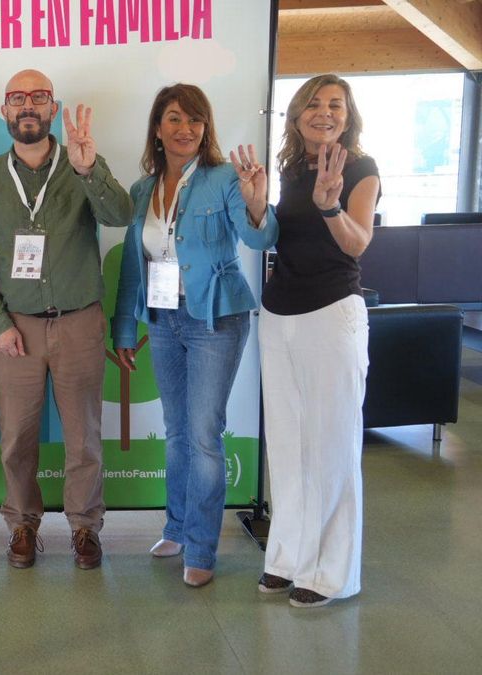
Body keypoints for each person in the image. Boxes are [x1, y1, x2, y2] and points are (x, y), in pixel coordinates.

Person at [111, 84, 278, 587]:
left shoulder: (225, 177)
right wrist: (124, 327)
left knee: (204, 436)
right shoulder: (142, 190)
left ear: (207, 128)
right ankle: (178, 528)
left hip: (216, 319)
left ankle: (202, 548)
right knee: (177, 432)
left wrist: (256, 206)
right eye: (175, 119)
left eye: (196, 121)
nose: (186, 130)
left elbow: (258, 239)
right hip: (162, 321)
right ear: (157, 128)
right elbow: (132, 268)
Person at [0, 69, 132, 570]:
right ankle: (22, 525)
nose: (28, 106)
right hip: (15, 327)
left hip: (78, 322)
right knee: (16, 436)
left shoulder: (81, 163)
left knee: (83, 436)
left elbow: (120, 214)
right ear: (5, 111)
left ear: (53, 109)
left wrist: (89, 171)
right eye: (17, 98)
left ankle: (84, 527)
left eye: (38, 98)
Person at [257, 74, 379, 608]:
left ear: (348, 115)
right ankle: (287, 559)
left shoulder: (361, 168)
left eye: (335, 104)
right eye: (314, 103)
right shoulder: (289, 168)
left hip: (332, 313)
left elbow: (358, 244)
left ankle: (332, 573)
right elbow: (278, 237)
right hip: (278, 314)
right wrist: (256, 206)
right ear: (297, 113)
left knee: (331, 446)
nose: (324, 112)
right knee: (287, 446)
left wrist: (329, 205)